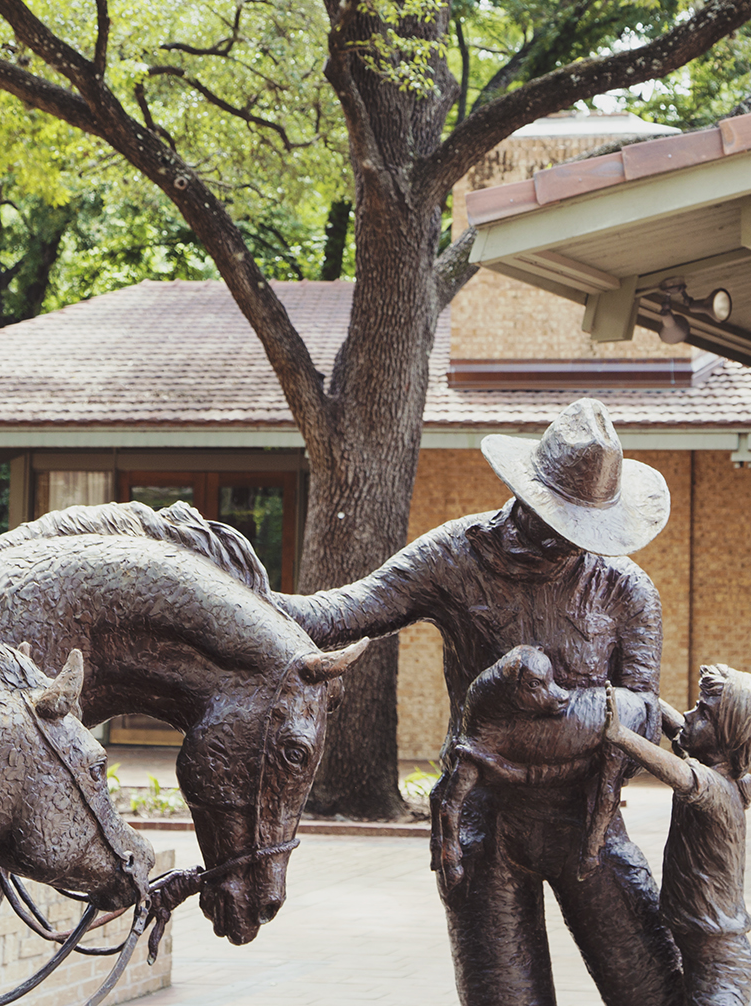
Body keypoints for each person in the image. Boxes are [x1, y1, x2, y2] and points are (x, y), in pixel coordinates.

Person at [279, 399, 683, 1006]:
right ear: (527, 497)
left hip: (588, 827)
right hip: (483, 825)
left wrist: (536, 730)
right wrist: (227, 592)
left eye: (584, 529)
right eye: (559, 521)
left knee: (657, 990)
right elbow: (337, 613)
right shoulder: (454, 557)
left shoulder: (626, 591)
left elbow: (640, 727)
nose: (569, 543)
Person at [603, 665, 751, 1006]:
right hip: (700, 953)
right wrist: (644, 694)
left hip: (720, 965)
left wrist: (619, 734)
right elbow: (680, 728)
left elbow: (677, 771)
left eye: (703, 712)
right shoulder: (717, 767)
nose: (690, 715)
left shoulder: (716, 789)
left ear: (728, 738)